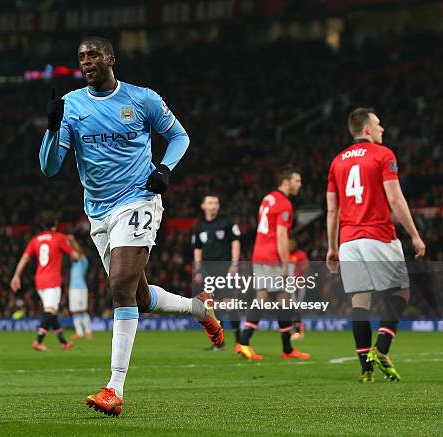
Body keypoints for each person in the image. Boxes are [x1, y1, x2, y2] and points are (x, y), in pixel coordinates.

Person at [39, 36, 223, 416]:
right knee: (137, 298)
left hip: (138, 199)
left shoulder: (142, 100)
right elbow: (49, 167)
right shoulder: (71, 106)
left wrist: (164, 169)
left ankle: (114, 387)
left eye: (92, 55)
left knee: (119, 285)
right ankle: (199, 309)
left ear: (110, 58)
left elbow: (179, 136)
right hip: (98, 211)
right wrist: (52, 129)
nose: (86, 61)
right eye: (80, 57)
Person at [326, 107, 426, 382]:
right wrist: (415, 235)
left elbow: (332, 211)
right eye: (379, 125)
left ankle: (365, 369)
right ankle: (381, 349)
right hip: (377, 234)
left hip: (348, 241)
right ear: (367, 129)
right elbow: (395, 199)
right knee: (401, 292)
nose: (383, 129)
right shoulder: (383, 154)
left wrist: (332, 247)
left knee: (360, 299)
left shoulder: (337, 161)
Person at [236, 168, 311, 360]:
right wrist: (285, 263)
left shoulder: (268, 198)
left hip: (259, 252)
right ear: (286, 182)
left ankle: (285, 349)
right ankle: (244, 342)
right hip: (272, 256)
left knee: (277, 298)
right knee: (273, 298)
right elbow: (280, 235)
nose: (299, 184)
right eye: (297, 180)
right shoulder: (284, 203)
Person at [10, 212, 81, 351]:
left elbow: (24, 258)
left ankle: (63, 342)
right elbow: (76, 257)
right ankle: (38, 341)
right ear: (55, 224)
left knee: (52, 312)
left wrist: (16, 276)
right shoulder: (59, 238)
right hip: (52, 280)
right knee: (49, 310)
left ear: (43, 225)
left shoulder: (35, 239)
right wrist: (72, 243)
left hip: (39, 281)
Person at [192, 194, 242, 351]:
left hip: (225, 269)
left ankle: (240, 341)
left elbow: (235, 242)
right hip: (207, 271)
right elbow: (197, 249)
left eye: (216, 202)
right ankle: (218, 343)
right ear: (203, 206)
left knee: (229, 304)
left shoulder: (227, 222)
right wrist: (198, 269)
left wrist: (234, 264)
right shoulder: (199, 227)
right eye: (210, 202)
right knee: (212, 308)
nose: (213, 205)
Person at [67, 235, 93, 339]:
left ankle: (86, 331)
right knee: (77, 310)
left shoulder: (82, 261)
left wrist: (73, 242)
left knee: (80, 310)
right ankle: (81, 332)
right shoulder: (74, 265)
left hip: (78, 288)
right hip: (76, 288)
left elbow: (78, 252)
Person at [288, 238, 309, 340]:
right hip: (288, 285)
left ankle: (298, 330)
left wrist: (301, 281)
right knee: (290, 307)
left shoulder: (300, 255)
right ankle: (295, 328)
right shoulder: (285, 254)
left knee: (296, 307)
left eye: (291, 243)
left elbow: (305, 268)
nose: (289, 245)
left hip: (298, 285)